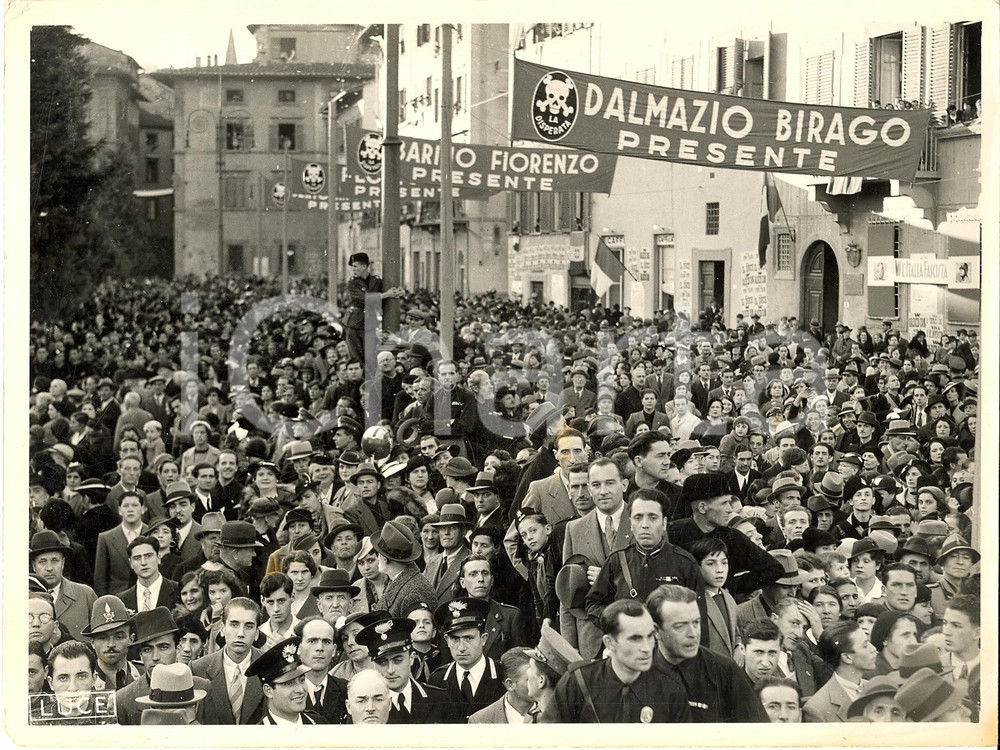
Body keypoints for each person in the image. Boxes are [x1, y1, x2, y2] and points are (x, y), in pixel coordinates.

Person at [540, 598, 691, 723]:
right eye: (635, 638)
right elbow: (548, 739)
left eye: (650, 636)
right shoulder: (579, 682)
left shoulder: (669, 688)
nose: (646, 647)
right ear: (610, 642)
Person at [585, 488, 702, 616]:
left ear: (664, 523)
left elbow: (699, 616)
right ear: (630, 523)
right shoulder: (617, 561)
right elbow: (593, 604)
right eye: (638, 518)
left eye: (653, 518)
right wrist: (617, 623)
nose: (645, 525)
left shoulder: (684, 563)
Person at [354, 616, 458, 724]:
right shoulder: (365, 708)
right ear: (373, 665)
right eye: (382, 662)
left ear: (411, 658)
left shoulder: (439, 700)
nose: (390, 670)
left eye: (397, 660)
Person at [117, 607, 211, 725]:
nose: (155, 657)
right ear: (140, 654)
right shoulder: (123, 699)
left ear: (177, 649)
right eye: (147, 650)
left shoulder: (203, 688)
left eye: (163, 647)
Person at [190, 597, 265, 724]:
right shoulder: (198, 668)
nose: (241, 633)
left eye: (249, 626)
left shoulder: (269, 665)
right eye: (234, 625)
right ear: (223, 629)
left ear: (257, 633)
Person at [428, 597, 505, 719]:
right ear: (447, 640)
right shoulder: (437, 680)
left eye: (468, 638)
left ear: (483, 638)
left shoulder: (503, 676)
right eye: (455, 639)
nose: (461, 647)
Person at [803, 621, 878, 722]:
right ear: (847, 657)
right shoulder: (817, 708)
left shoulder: (875, 689)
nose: (873, 649)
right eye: (865, 646)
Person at [30, 530, 97, 642]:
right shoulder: (24, 598)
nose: (49, 567)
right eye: (42, 562)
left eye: (55, 560)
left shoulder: (85, 594)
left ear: (63, 563)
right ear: (33, 566)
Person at [31, 641, 115, 725]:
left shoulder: (114, 717)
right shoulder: (34, 722)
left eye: (81, 677)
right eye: (63, 678)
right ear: (51, 683)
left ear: (94, 679)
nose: (72, 688)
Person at [245, 635, 323, 724]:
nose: (301, 690)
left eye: (302, 680)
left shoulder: (319, 723)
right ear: (268, 690)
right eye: (289, 683)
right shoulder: (257, 736)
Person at [293, 617, 348, 724]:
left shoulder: (346, 689)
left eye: (326, 642)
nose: (320, 648)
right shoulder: (286, 691)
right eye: (312, 641)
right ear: (299, 648)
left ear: (334, 650)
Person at [81, 594, 140, 691]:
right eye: (103, 638)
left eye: (119, 637)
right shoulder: (83, 683)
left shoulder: (143, 674)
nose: (111, 644)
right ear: (92, 642)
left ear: (131, 639)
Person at [468, 648, 536, 724]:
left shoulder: (550, 715)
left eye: (540, 677)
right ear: (510, 684)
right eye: (531, 679)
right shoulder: (480, 721)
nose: (540, 684)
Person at [422, 503, 473, 602]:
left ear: (463, 532)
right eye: (443, 528)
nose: (446, 532)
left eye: (453, 528)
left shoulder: (471, 561)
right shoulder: (433, 561)